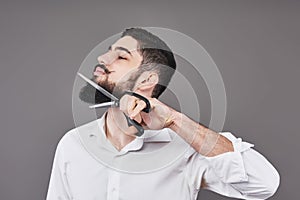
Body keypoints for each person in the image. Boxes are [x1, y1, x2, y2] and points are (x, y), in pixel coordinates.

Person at [46, 27, 280, 200]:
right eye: (109, 52)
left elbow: (264, 184)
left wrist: (175, 121)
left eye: (121, 56)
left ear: (147, 80)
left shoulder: (184, 149)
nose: (103, 59)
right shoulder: (73, 144)